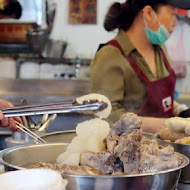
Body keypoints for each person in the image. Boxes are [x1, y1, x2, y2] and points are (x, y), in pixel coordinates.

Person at [90, 0, 190, 133]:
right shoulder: (111, 54)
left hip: (164, 147)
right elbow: (107, 115)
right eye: (172, 14)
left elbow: (161, 100)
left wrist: (180, 110)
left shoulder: (160, 49)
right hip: (130, 149)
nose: (175, 22)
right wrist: (167, 125)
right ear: (148, 13)